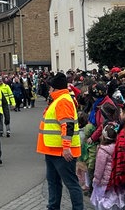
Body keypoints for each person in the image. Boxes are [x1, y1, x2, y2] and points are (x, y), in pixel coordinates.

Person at [37, 72, 83, 210]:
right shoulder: (60, 99)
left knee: (70, 183)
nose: (49, 90)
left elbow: (67, 125)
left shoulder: (63, 100)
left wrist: (66, 147)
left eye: (50, 88)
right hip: (54, 150)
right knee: (54, 182)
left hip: (62, 151)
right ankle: (53, 207)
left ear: (55, 88)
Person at [90, 122, 125, 210]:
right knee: (114, 202)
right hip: (115, 181)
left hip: (104, 182)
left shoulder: (103, 151)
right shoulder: (119, 148)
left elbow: (99, 168)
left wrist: (96, 180)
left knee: (102, 203)